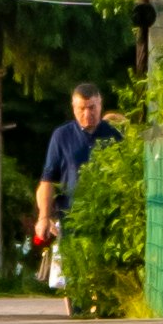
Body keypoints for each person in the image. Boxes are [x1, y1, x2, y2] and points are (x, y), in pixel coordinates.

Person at [29, 76, 117, 287]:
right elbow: (48, 180)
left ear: (100, 104)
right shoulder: (62, 136)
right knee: (72, 272)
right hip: (71, 216)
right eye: (81, 109)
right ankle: (78, 312)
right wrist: (44, 217)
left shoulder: (113, 136)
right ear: (73, 107)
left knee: (101, 269)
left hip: (105, 215)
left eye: (92, 108)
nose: (87, 114)